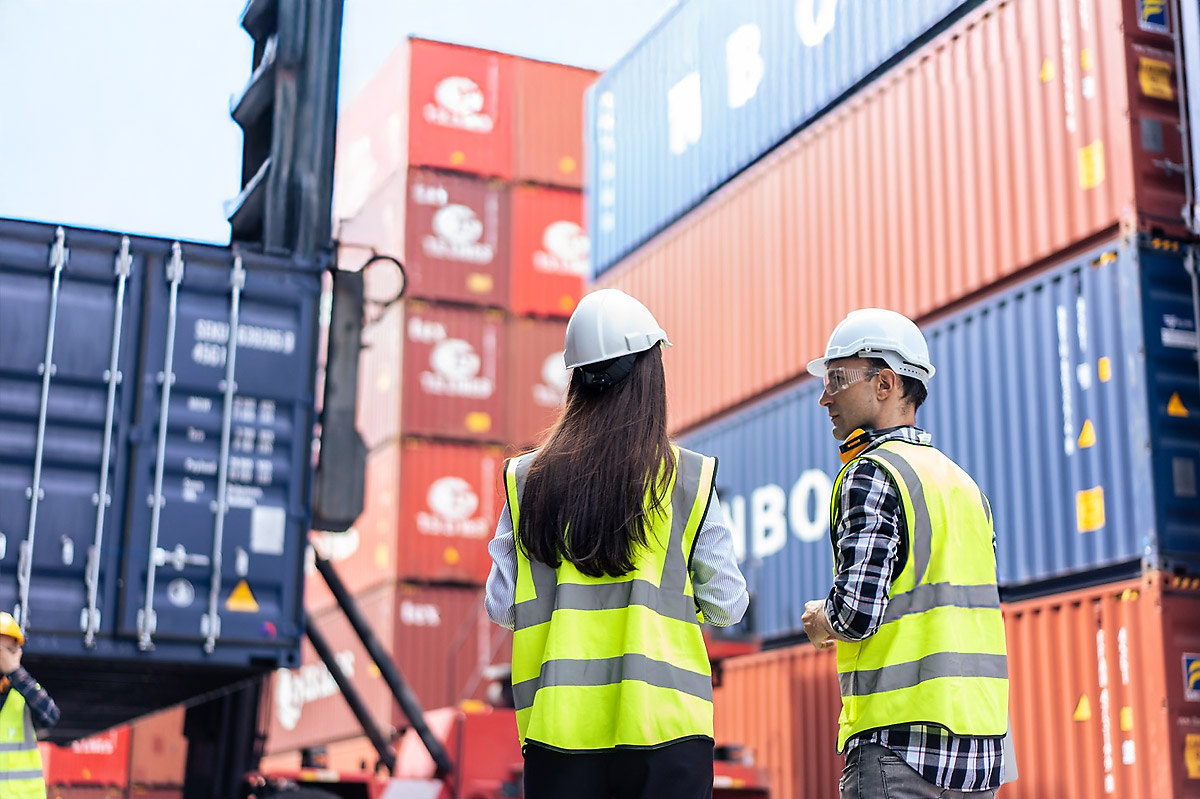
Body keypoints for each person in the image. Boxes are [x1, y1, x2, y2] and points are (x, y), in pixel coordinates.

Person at [485, 288, 748, 799]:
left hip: (558, 735)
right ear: (651, 376)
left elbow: (501, 606)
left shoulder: (526, 480)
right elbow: (728, 605)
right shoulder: (687, 478)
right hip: (667, 734)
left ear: (576, 377)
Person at [800, 309, 1009, 798]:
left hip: (901, 751)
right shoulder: (964, 484)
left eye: (836, 379)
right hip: (981, 750)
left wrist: (819, 620)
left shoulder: (871, 472)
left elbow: (855, 613)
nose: (824, 397)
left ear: (886, 383)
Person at [0, 611, 59, 799]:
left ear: (18, 653)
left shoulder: (25, 692)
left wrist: (15, 672)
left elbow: (50, 715)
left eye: (7, 650)